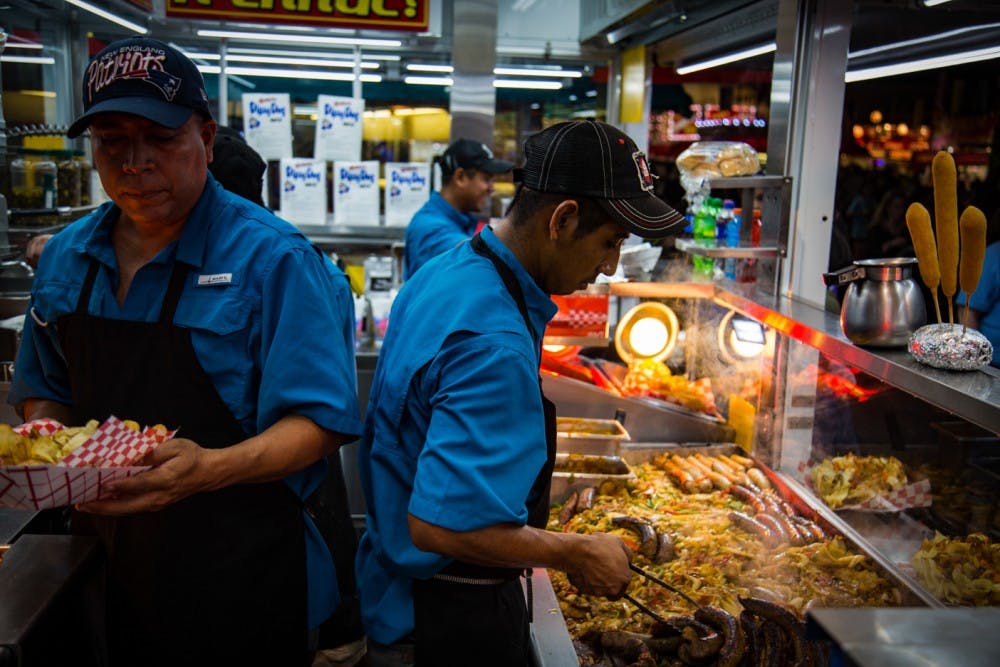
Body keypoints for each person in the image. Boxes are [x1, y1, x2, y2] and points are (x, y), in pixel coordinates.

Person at [8, 37, 363, 667]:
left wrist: (208, 469)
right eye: (111, 140)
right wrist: (54, 459)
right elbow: (48, 390)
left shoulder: (275, 261)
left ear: (205, 134)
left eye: (160, 137)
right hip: (100, 555)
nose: (135, 162)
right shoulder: (66, 257)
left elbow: (320, 422)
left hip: (240, 570)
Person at [356, 120, 687, 666]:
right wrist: (576, 551)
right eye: (610, 243)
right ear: (563, 219)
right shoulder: (494, 344)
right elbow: (440, 523)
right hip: (442, 621)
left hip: (395, 595)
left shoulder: (451, 271)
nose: (608, 268)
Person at [402, 138, 513, 279]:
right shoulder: (430, 228)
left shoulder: (461, 220)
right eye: (486, 179)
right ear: (460, 177)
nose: (491, 188)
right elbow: (477, 259)